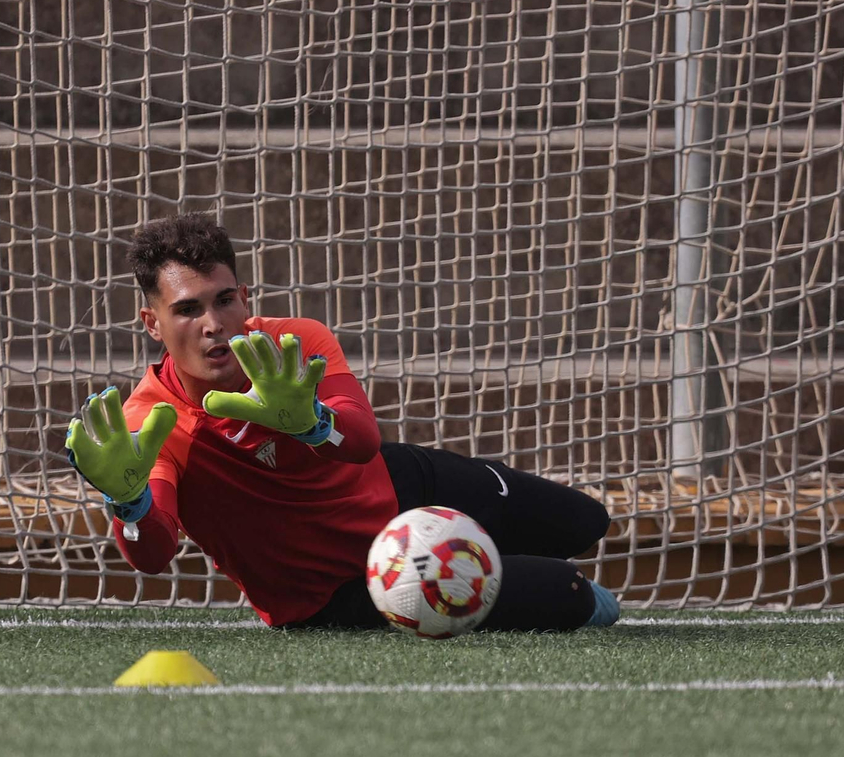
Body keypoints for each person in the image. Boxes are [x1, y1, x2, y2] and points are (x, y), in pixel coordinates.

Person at [63, 213, 620, 631]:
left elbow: (361, 441)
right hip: (333, 589)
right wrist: (130, 505)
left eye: (225, 299)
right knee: (580, 600)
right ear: (152, 323)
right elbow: (153, 557)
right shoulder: (150, 422)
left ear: (245, 296)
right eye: (187, 309)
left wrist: (309, 423)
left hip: (396, 487)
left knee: (584, 523)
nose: (214, 323)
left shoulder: (293, 340)